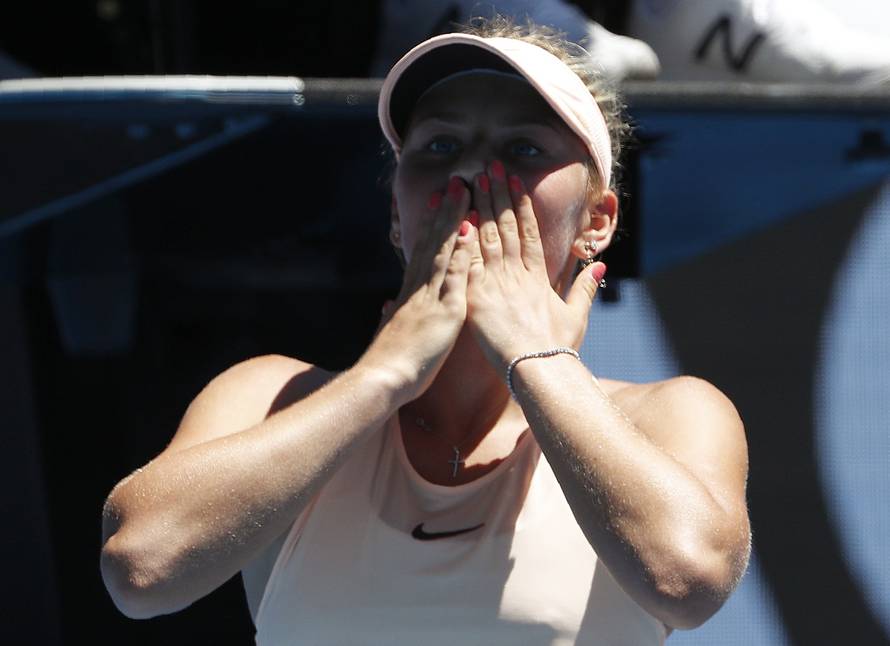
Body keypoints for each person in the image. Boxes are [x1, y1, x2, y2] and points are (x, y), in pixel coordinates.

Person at [100, 16, 752, 644]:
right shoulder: (270, 395)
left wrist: (538, 357)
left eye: (523, 149)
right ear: (396, 211)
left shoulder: (671, 414)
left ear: (597, 221)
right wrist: (384, 374)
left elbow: (687, 580)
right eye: (440, 146)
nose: (471, 173)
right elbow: (141, 570)